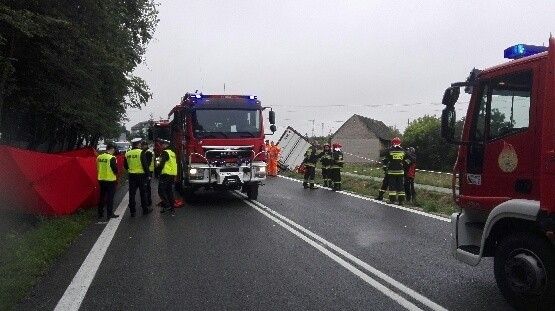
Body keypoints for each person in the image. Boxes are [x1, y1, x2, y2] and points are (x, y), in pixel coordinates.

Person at [124, 139, 153, 217]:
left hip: (131, 175)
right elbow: (145, 164)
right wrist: (148, 175)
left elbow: (125, 166)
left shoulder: (127, 153)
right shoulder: (141, 152)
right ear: (139, 144)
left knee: (132, 193)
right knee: (143, 193)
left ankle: (132, 211)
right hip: (141, 176)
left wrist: (131, 169)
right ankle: (145, 210)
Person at [382, 137, 408, 205]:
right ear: (400, 143)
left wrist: (385, 165)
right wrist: (404, 163)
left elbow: (382, 155)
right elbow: (412, 159)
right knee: (400, 186)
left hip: (392, 171)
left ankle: (392, 200)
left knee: (392, 186)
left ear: (392, 143)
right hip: (400, 172)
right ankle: (401, 201)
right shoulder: (403, 151)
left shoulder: (390, 150)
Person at [97, 143, 119, 220]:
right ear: (112, 148)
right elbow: (115, 170)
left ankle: (100, 213)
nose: (114, 151)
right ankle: (109, 214)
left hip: (101, 179)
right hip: (110, 180)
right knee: (110, 197)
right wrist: (117, 172)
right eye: (114, 149)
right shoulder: (112, 158)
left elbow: (98, 167)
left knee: (102, 196)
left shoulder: (99, 157)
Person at [156, 139, 178, 213]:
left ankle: (167, 205)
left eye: (161, 145)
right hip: (172, 174)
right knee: (169, 190)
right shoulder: (172, 153)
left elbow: (161, 164)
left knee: (161, 190)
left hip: (165, 174)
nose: (160, 147)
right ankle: (171, 205)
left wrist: (158, 172)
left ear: (165, 145)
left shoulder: (165, 153)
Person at [142, 140, 154, 206]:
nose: (142, 147)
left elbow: (147, 163)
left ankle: (148, 201)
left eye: (143, 145)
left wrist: (146, 171)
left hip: (148, 171)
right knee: (146, 187)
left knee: (147, 186)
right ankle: (147, 201)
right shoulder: (145, 151)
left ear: (146, 145)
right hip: (148, 170)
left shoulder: (148, 152)